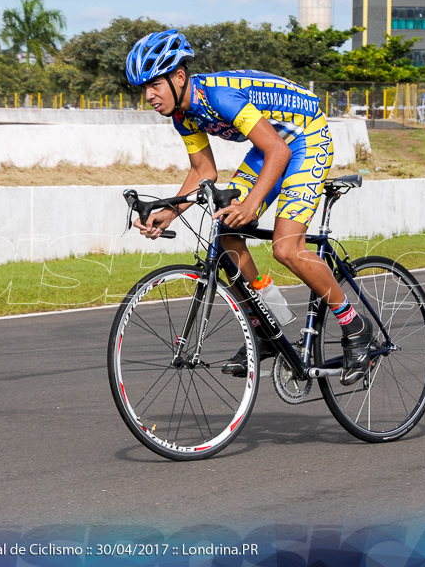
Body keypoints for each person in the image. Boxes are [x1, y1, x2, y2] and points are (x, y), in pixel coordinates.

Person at [125, 29, 373, 385]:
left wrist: (253, 203)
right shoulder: (184, 114)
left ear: (179, 77)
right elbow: (203, 171)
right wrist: (167, 213)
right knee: (227, 230)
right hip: (271, 142)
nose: (149, 95)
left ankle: (355, 325)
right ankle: (265, 324)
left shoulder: (219, 96)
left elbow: (280, 151)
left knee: (287, 247)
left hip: (305, 137)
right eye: (143, 88)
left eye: (155, 85)